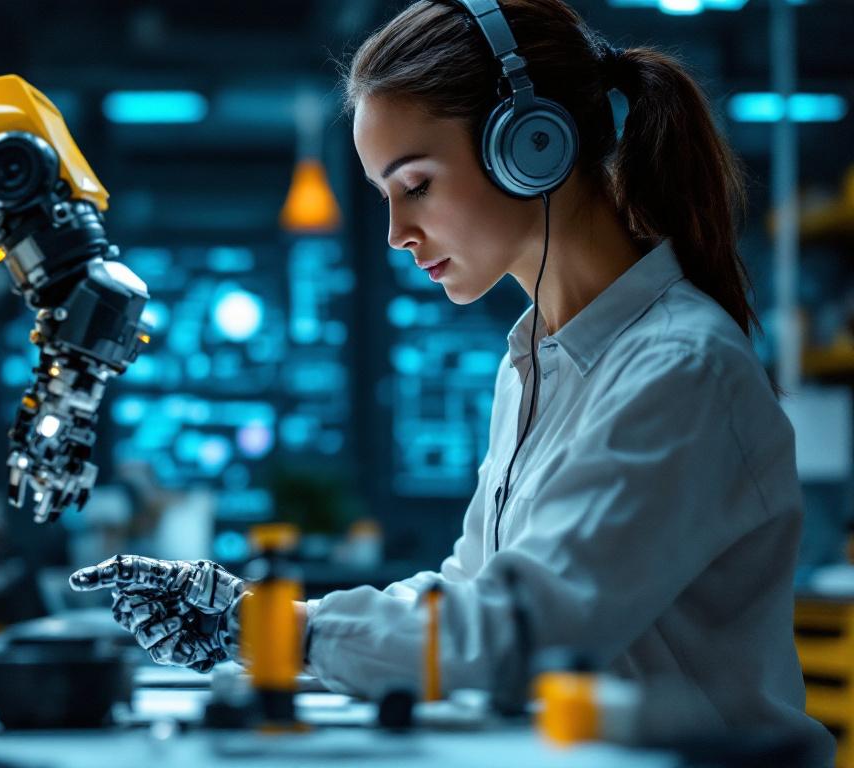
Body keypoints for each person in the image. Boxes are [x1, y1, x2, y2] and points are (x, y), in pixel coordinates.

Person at [69, 0, 834, 759]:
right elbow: (471, 595)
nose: (398, 233)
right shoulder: (535, 365)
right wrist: (259, 620)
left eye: (417, 185)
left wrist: (278, 629)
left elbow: (519, 632)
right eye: (386, 197)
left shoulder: (680, 368)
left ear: (531, 146)